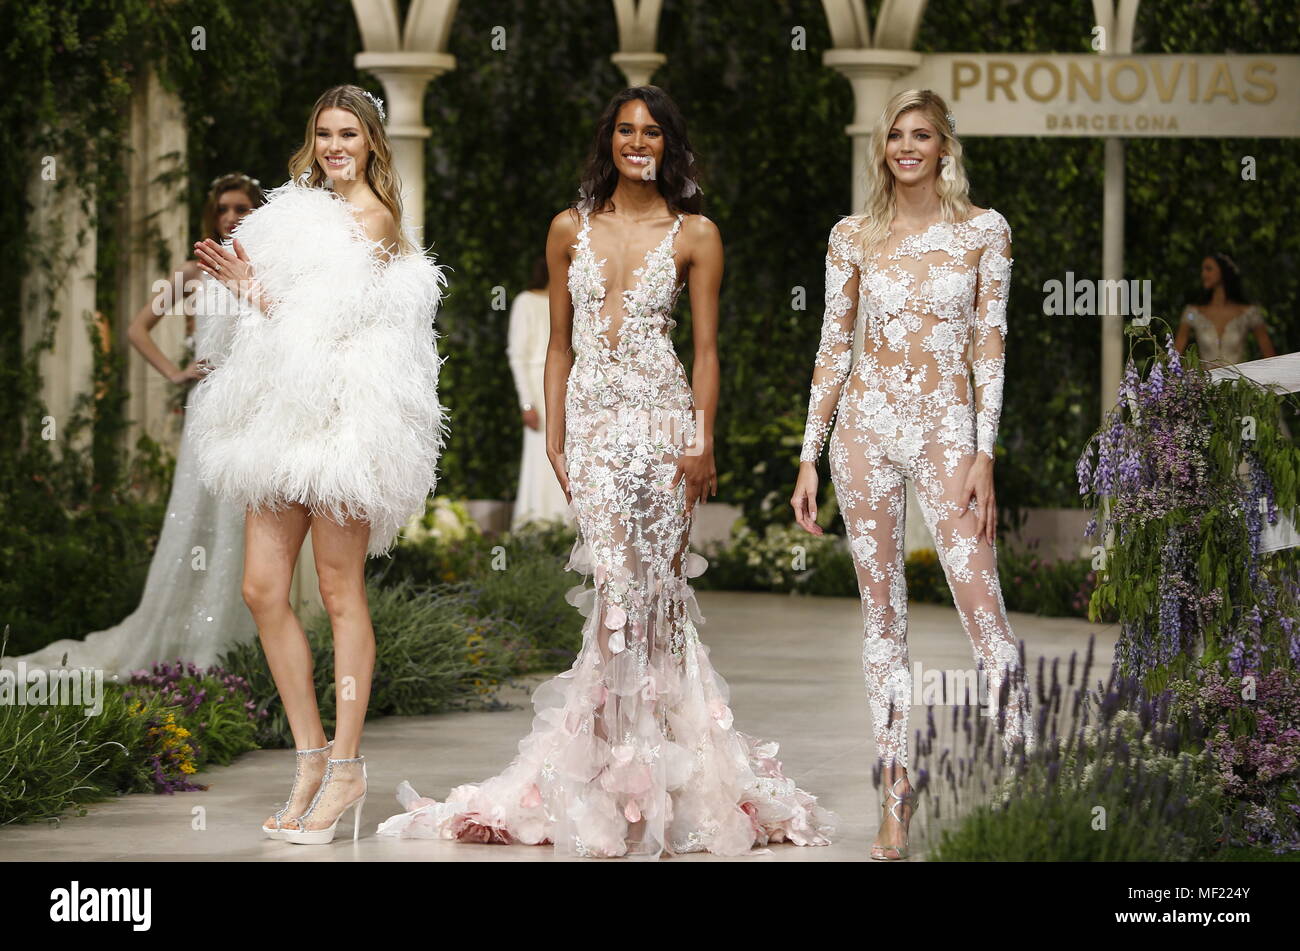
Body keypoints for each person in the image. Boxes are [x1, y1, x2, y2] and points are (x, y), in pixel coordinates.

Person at [378, 85, 837, 859]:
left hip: (663, 424)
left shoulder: (696, 234)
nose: (637, 142)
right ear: (608, 141)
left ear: (669, 145)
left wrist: (700, 438)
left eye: (651, 132)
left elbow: (706, 350)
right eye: (625, 130)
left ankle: (665, 780)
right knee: (614, 595)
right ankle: (608, 781)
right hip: (592, 426)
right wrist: (556, 436)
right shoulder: (569, 228)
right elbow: (558, 342)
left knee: (656, 598)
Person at [186, 85, 448, 845]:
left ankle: (346, 765)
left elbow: (324, 334)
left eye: (350, 134)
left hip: (344, 424)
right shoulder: (299, 218)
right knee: (262, 588)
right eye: (325, 134)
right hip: (281, 419)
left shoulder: (372, 219)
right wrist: (248, 290)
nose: (336, 146)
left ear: (371, 142)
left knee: (339, 591)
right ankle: (310, 754)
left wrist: (254, 292)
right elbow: (276, 329)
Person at [790, 89, 1034, 860]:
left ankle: (1028, 788)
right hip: (862, 434)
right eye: (895, 134)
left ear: (943, 147)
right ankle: (896, 796)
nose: (906, 146)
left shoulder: (982, 233)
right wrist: (807, 452)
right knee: (881, 620)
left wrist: (983, 453)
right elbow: (834, 345)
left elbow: (989, 347)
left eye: (920, 134)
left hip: (947, 433)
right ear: (882, 148)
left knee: (982, 608)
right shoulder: (853, 236)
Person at [3, 174, 265, 678]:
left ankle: (242, 644)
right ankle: (192, 643)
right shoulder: (193, 273)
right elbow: (136, 328)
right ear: (212, 215)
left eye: (242, 208)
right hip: (209, 408)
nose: (232, 217)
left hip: (251, 410)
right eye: (224, 209)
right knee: (196, 516)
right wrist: (175, 371)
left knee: (243, 522)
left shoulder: (261, 270)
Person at [506, 254, 572, 529]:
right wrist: (526, 403)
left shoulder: (573, 303)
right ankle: (537, 519)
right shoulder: (526, 301)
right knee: (540, 453)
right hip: (538, 382)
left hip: (571, 381)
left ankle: (568, 522)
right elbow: (517, 354)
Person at [1174, 252, 1276, 368]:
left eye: (1208, 269)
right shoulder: (1192, 312)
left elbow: (1270, 356)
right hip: (1205, 384)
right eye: (1202, 270)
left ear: (1223, 271)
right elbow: (1175, 357)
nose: (1203, 274)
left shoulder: (1249, 313)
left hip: (1240, 383)